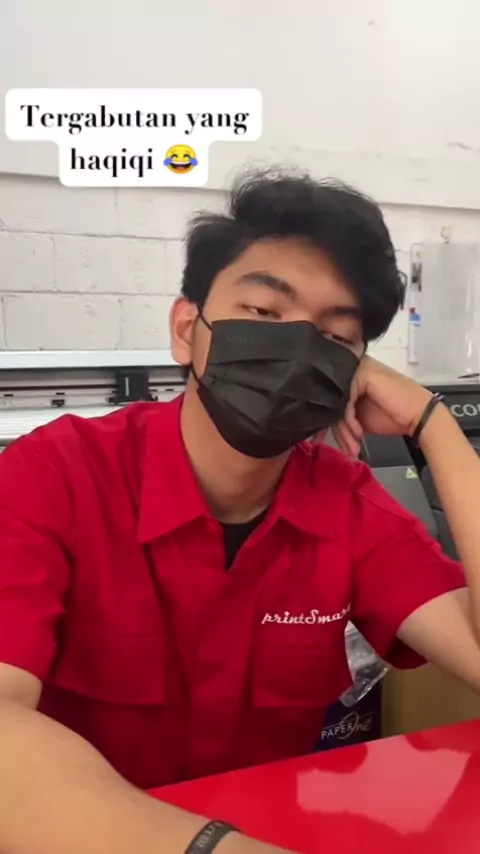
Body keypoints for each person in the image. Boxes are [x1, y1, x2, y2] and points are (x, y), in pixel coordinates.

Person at [0, 167, 480, 854]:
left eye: (335, 338)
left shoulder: (347, 506)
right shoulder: (52, 477)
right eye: (263, 314)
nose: (296, 351)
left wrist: (435, 425)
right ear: (186, 328)